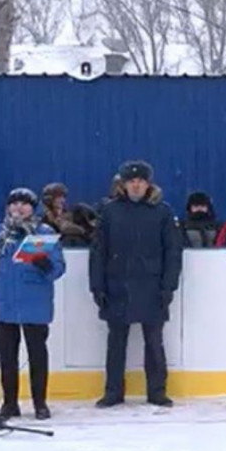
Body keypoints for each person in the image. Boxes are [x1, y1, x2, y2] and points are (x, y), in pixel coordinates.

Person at [91, 161, 183, 408]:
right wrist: (97, 286)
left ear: (148, 184)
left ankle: (157, 391)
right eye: (131, 181)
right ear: (123, 184)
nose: (136, 185)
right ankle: (113, 392)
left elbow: (173, 252)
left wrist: (168, 286)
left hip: (152, 287)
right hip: (116, 286)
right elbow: (98, 252)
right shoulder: (110, 212)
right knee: (116, 342)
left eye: (141, 180)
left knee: (154, 341)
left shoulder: (162, 212)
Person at [0, 188, 66, 420]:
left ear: (32, 209)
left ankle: (40, 403)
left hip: (34, 305)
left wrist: (46, 265)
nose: (18, 208)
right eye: (14, 204)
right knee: (6, 357)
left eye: (24, 204)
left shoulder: (42, 234)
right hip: (4, 305)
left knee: (37, 355)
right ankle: (10, 403)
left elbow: (58, 267)